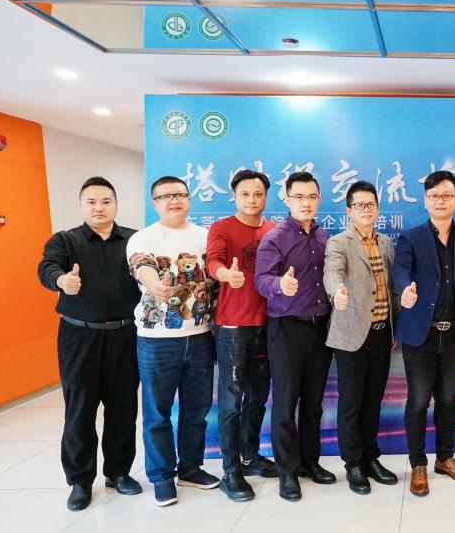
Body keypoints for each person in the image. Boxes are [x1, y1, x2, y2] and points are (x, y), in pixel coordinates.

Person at [38, 177, 141, 511]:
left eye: (106, 201)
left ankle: (118, 472)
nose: (99, 208)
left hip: (126, 335)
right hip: (79, 336)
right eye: (92, 202)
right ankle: (80, 481)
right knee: (80, 410)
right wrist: (61, 280)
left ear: (116, 204)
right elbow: (47, 267)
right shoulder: (65, 240)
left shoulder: (135, 240)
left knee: (123, 408)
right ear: (81, 205)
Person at [127, 175, 219, 506]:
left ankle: (191, 469)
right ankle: (161, 476)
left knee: (197, 410)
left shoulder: (206, 237)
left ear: (189, 199)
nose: (174, 200)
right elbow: (142, 265)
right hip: (157, 340)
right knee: (157, 412)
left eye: (180, 194)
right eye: (166, 196)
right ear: (155, 203)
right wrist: (155, 285)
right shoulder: (143, 238)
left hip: (200, 337)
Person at [393, 170, 455, 497]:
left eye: (446, 195)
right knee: (418, 400)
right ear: (425, 201)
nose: (440, 201)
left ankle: (445, 459)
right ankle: (418, 463)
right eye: (433, 196)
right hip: (420, 334)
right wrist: (405, 290)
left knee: (447, 400)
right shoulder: (411, 238)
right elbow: (401, 269)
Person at [254, 171, 337, 502]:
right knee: (286, 402)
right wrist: (280, 285)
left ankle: (309, 462)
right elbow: (261, 279)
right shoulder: (274, 238)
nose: (306, 203)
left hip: (321, 328)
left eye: (311, 197)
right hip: (287, 328)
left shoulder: (325, 238)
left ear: (319, 200)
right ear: (286, 199)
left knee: (314, 401)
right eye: (299, 197)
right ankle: (287, 471)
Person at [324, 181, 400, 495]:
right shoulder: (339, 243)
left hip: (382, 334)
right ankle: (353, 462)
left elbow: (392, 286)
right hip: (351, 335)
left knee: (372, 401)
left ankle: (370, 457)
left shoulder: (387, 243)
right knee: (351, 402)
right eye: (359, 205)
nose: (366, 210)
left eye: (371, 204)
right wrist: (336, 292)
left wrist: (395, 326)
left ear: (378, 209)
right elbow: (332, 272)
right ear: (349, 211)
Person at [206, 169, 277, 503]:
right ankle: (230, 469)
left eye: (258, 194)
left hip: (268, 325)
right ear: (234, 196)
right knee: (231, 401)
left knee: (258, 397)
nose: (252, 199)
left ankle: (251, 457)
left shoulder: (273, 230)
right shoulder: (221, 228)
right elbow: (213, 262)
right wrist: (225, 275)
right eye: (245, 194)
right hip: (233, 326)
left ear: (266, 197)